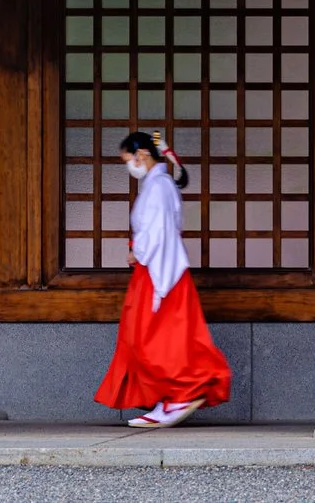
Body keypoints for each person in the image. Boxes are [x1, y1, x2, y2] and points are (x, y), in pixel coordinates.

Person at [93, 130, 232, 427]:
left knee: (152, 339)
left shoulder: (158, 187)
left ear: (141, 154)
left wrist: (138, 252)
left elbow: (156, 233)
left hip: (159, 272)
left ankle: (180, 394)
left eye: (128, 159)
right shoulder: (160, 184)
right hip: (158, 268)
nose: (129, 165)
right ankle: (171, 398)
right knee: (156, 338)